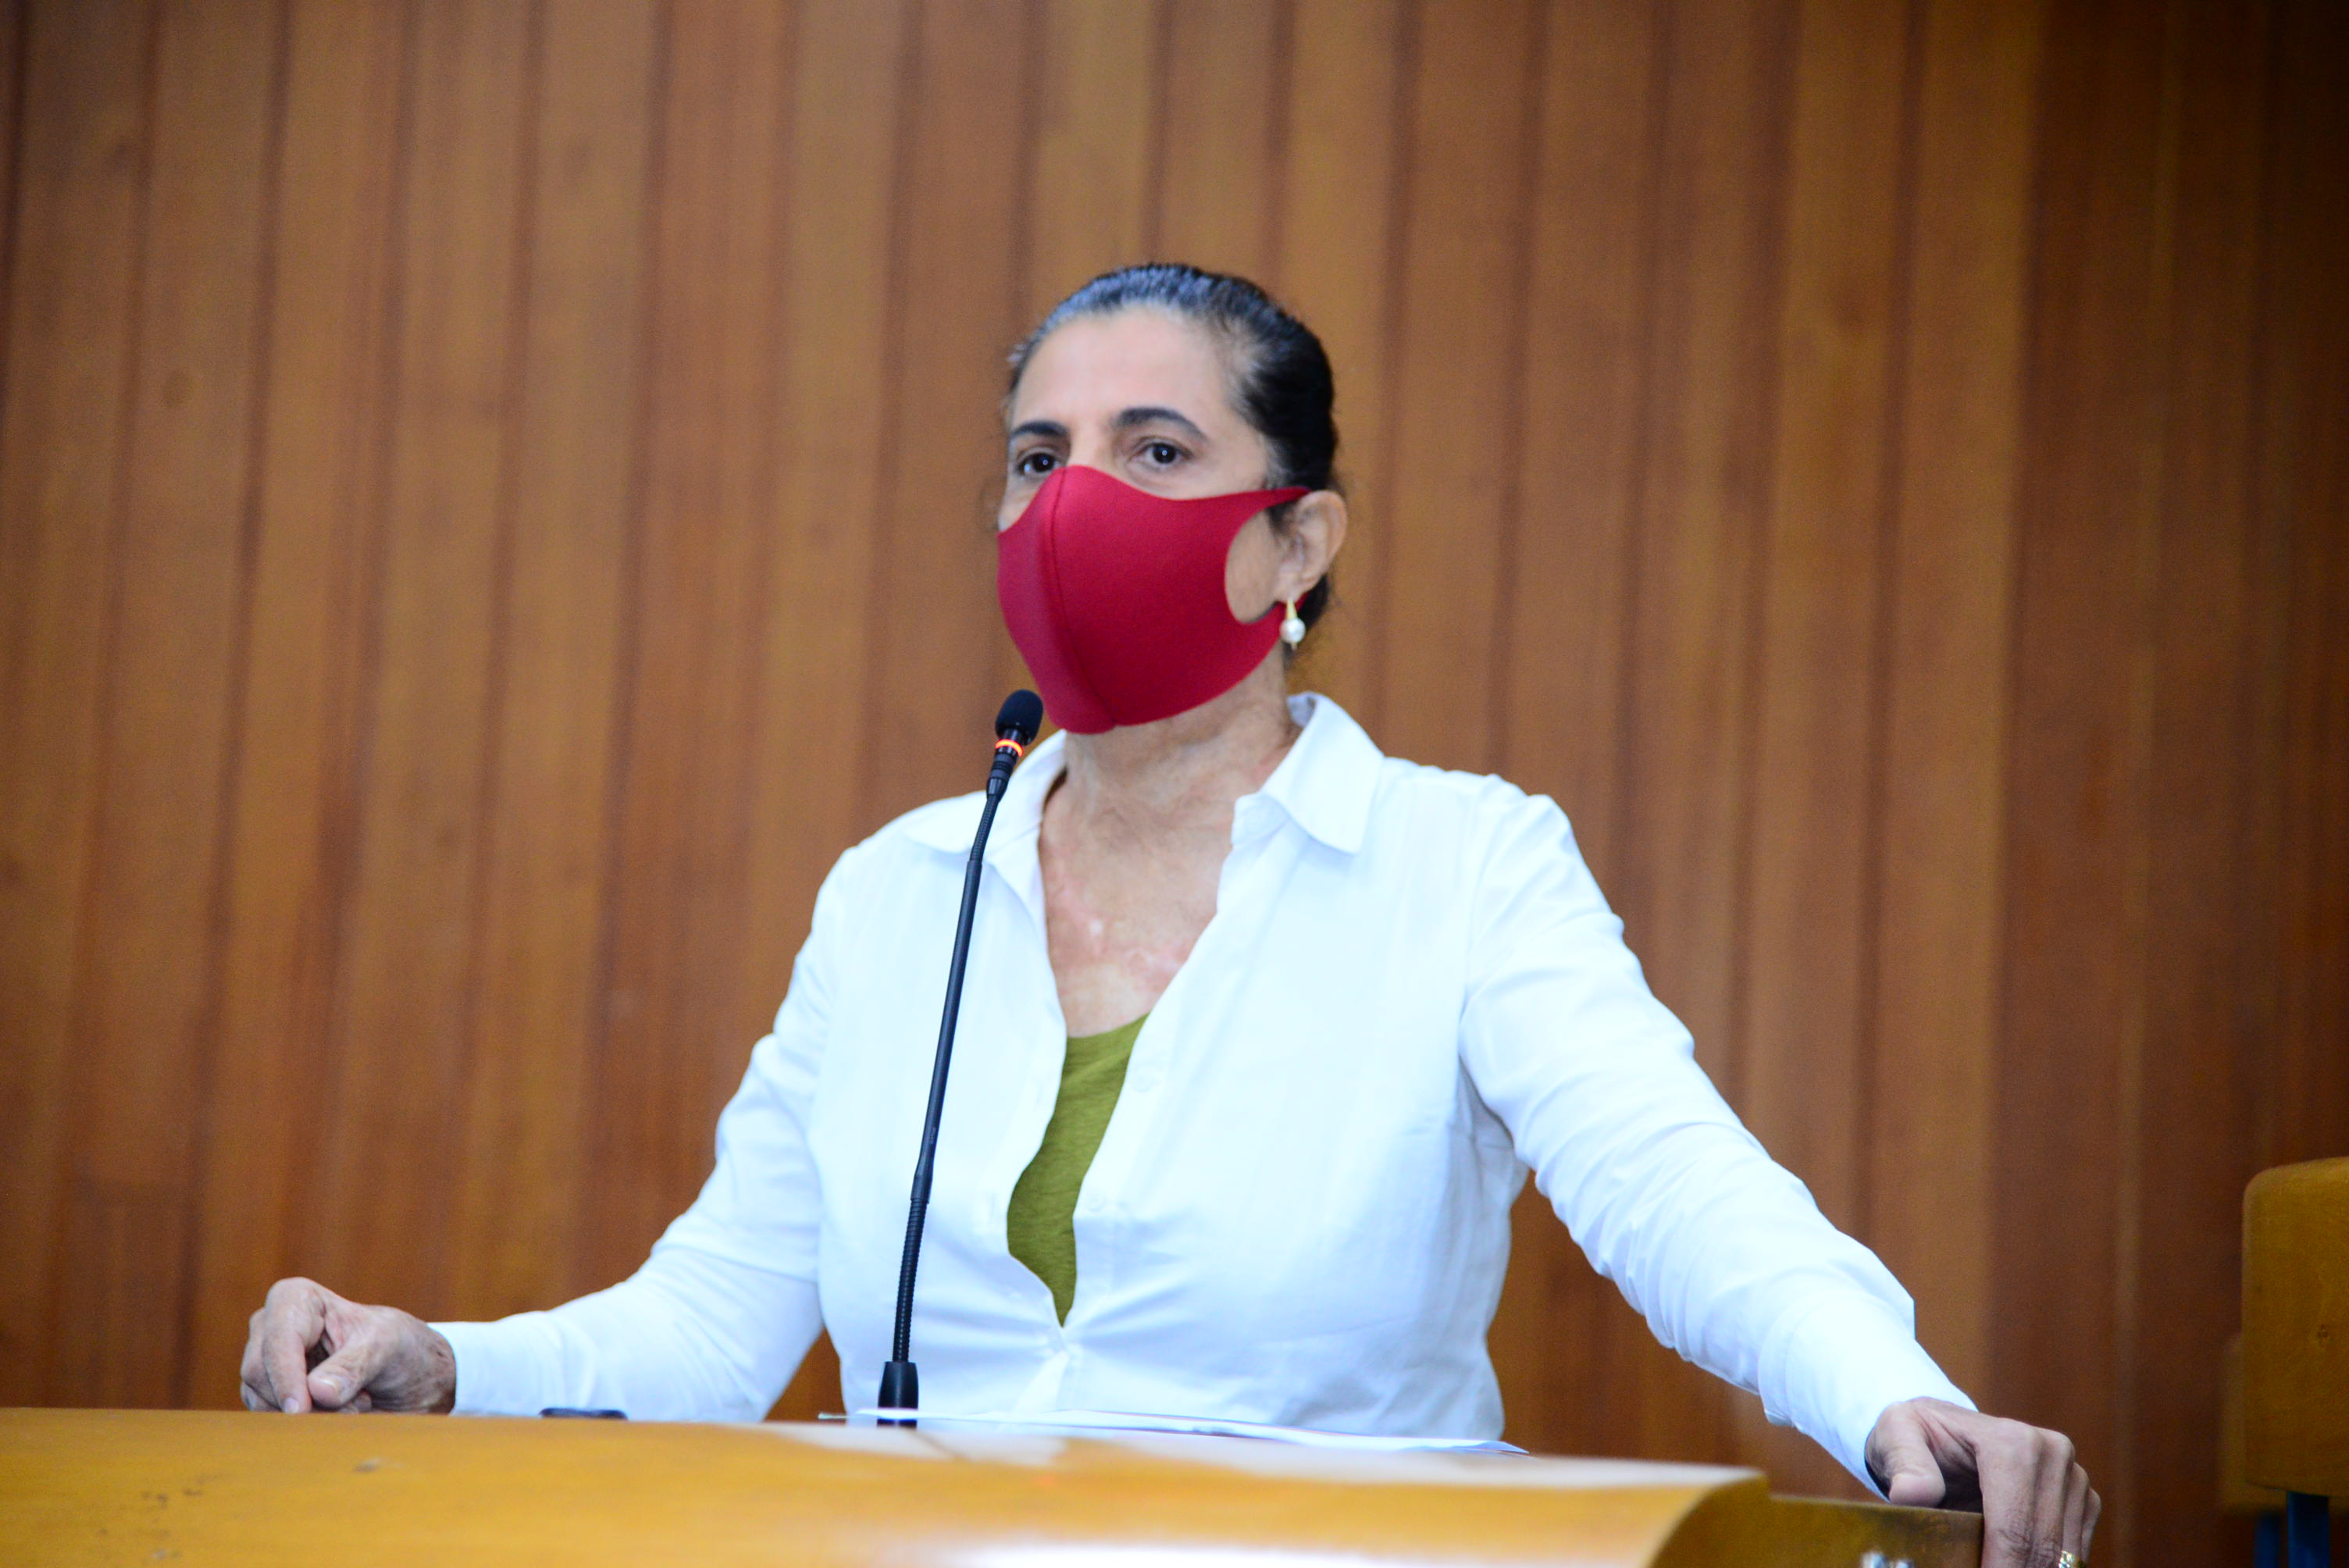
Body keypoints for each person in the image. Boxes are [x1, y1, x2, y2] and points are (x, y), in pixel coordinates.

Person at [244, 265, 2097, 1568]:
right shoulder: (897, 893)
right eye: (1035, 456)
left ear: (1297, 543)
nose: (1071, 503)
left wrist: (1890, 1395)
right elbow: (715, 1323)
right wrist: (446, 1361)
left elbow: (1674, 1184)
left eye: (1150, 450)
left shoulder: (1463, 863)